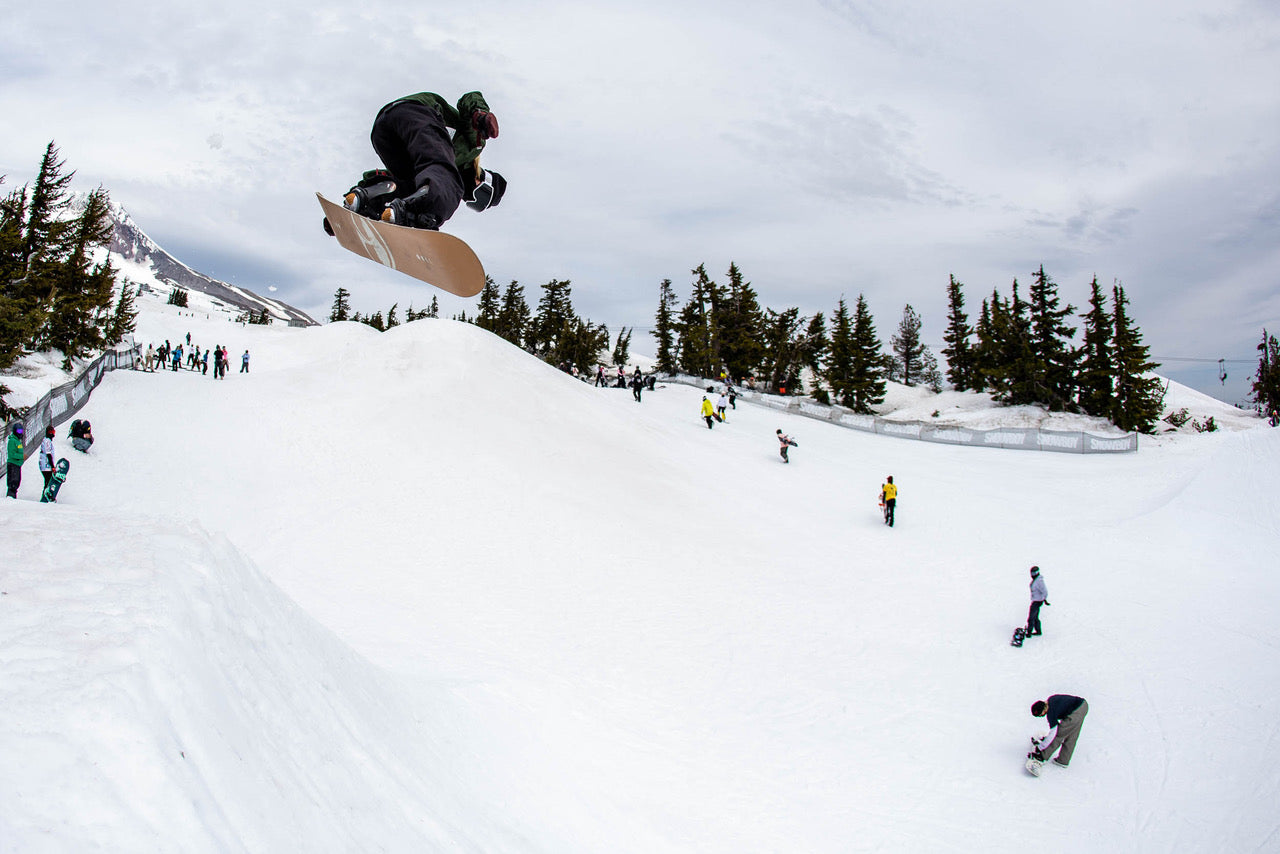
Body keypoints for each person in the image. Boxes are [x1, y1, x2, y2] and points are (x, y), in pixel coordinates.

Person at [333, 91, 505, 233]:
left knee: (410, 185)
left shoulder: (430, 173)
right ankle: (413, 213)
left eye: (476, 205)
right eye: (481, 195)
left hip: (385, 131)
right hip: (419, 113)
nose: (470, 198)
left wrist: (343, 217)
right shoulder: (473, 144)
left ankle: (363, 199)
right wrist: (481, 114)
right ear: (482, 178)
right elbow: (470, 97)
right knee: (448, 184)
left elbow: (390, 178)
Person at [1031, 695, 1089, 768]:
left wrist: (1040, 748)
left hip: (1075, 712)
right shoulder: (1051, 700)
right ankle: (1063, 760)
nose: (1042, 716)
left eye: (1040, 715)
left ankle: (1042, 756)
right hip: (1083, 705)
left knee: (1059, 734)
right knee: (1071, 736)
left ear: (1043, 710)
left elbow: (1054, 733)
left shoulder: (1051, 712)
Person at [1026, 565, 1049, 638]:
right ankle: (1038, 631)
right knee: (1035, 617)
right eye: (1031, 573)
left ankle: (1029, 632)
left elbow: (1044, 591)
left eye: (1034, 573)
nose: (1032, 575)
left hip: (1037, 601)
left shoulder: (1039, 581)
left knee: (1031, 617)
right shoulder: (1036, 580)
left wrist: (1044, 599)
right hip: (1036, 600)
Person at [6, 422, 23, 498]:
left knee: (16, 482)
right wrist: (22, 456)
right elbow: (12, 454)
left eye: (21, 431)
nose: (20, 433)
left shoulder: (17, 441)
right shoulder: (12, 441)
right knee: (13, 482)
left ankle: (13, 497)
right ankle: (10, 497)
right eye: (19, 431)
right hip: (13, 464)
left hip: (17, 464)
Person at [38, 426, 56, 491]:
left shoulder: (47, 441)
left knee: (48, 481)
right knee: (48, 481)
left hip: (46, 465)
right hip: (46, 465)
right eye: (51, 432)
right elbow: (48, 454)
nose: (53, 434)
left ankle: (47, 493)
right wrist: (52, 466)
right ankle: (46, 494)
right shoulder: (47, 441)